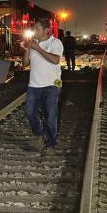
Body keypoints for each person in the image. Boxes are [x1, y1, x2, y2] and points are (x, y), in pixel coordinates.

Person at [22, 17, 64, 153]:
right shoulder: (33, 44)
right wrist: (28, 49)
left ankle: (51, 144)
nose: (34, 31)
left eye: (37, 29)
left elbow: (55, 60)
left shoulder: (55, 43)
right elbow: (24, 64)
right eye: (33, 29)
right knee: (30, 113)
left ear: (46, 30)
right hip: (34, 86)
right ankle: (39, 135)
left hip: (52, 86)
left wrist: (37, 48)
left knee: (51, 117)